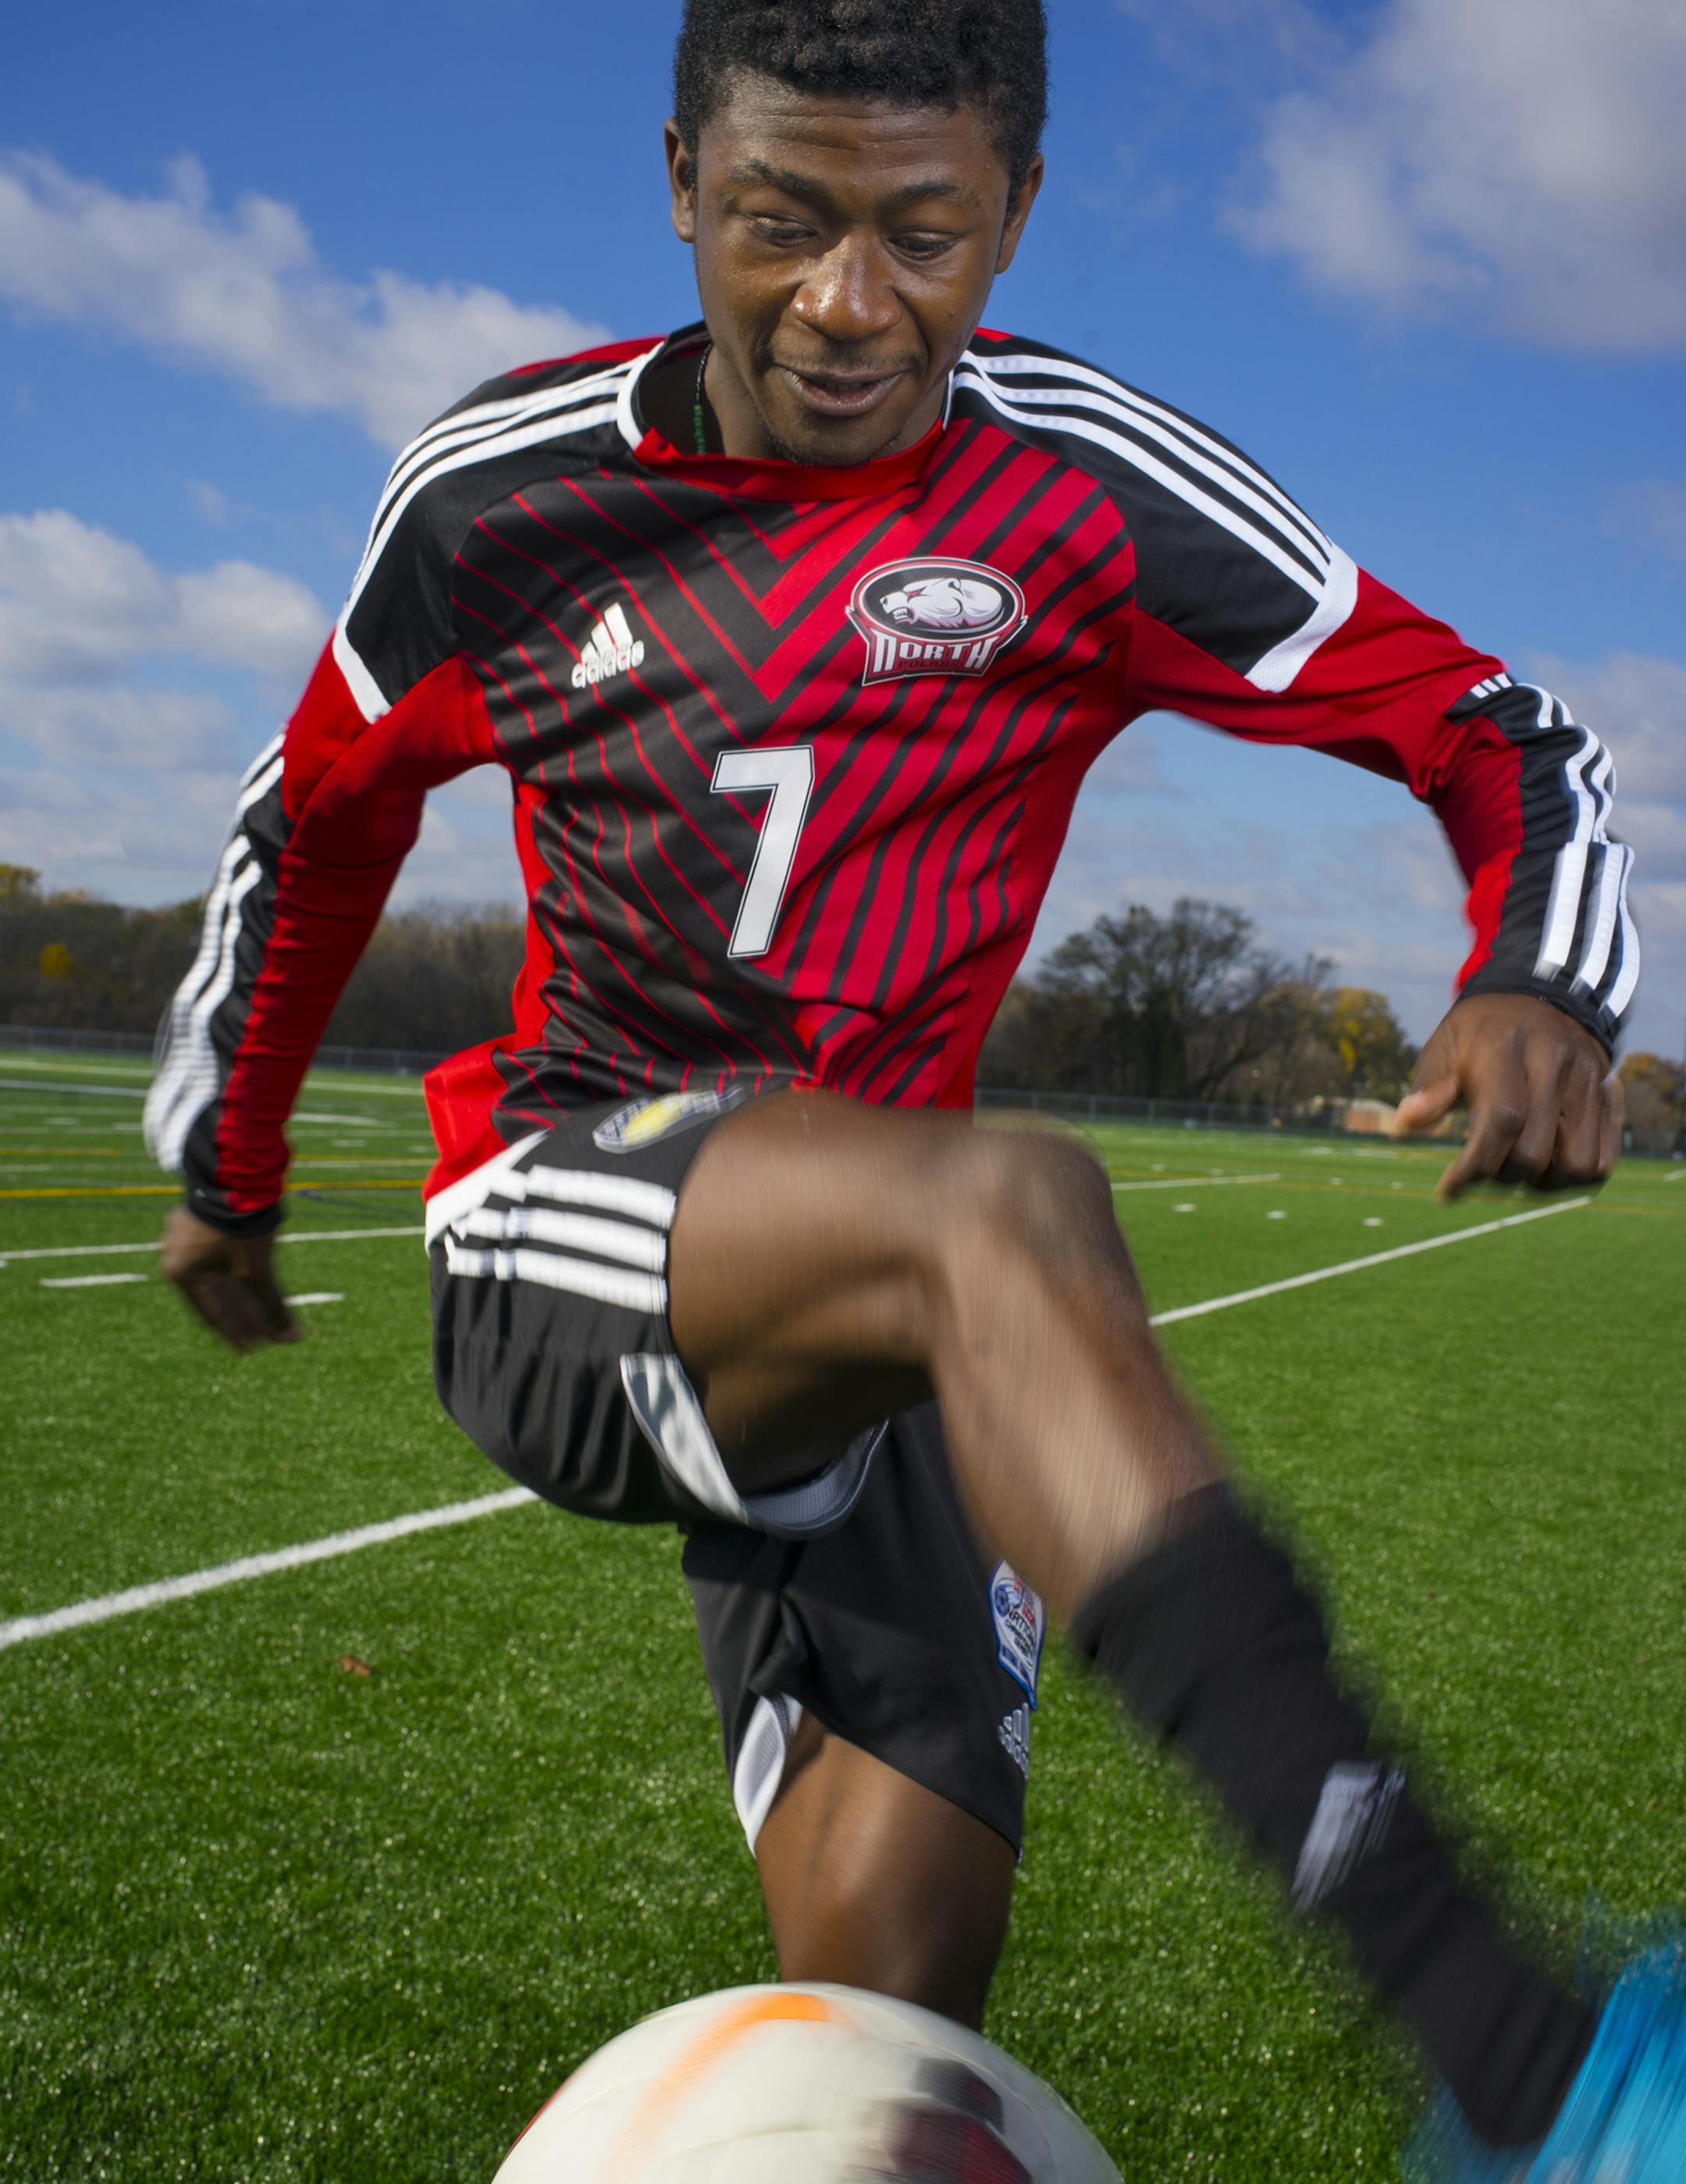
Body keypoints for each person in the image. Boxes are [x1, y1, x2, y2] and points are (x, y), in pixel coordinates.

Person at [145, 3, 1679, 2175]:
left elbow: (1503, 728)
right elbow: (314, 825)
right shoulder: (502, 495)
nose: (851, 304)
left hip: (884, 1343)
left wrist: (1542, 974)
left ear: (1017, 212)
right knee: (1002, 1203)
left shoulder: (1084, 482)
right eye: (781, 222)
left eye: (925, 234)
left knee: (883, 2031)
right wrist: (227, 1157)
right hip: (571, 1222)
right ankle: (1522, 2058)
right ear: (683, 178)